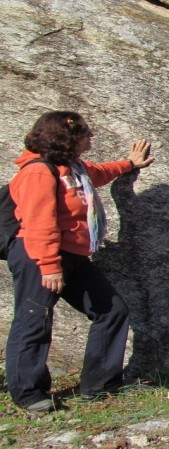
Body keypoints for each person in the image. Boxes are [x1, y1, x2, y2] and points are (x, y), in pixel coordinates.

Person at [4, 111, 155, 412]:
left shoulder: (72, 169)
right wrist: (49, 266)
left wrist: (128, 165)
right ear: (67, 137)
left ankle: (100, 386)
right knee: (34, 319)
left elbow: (97, 173)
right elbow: (38, 222)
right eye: (85, 131)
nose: (91, 135)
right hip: (39, 255)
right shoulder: (37, 172)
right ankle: (30, 395)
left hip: (70, 255)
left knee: (111, 310)